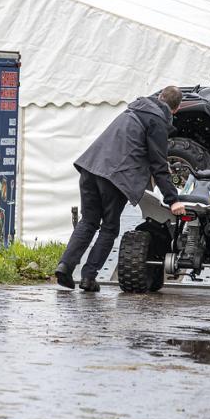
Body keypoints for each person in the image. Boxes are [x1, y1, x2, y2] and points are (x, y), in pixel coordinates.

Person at [54, 86, 186, 292]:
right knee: (109, 227)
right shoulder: (157, 120)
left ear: (159, 97)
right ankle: (88, 277)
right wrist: (173, 199)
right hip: (115, 177)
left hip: (91, 167)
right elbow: (158, 165)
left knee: (88, 221)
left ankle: (65, 266)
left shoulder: (133, 110)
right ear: (176, 110)